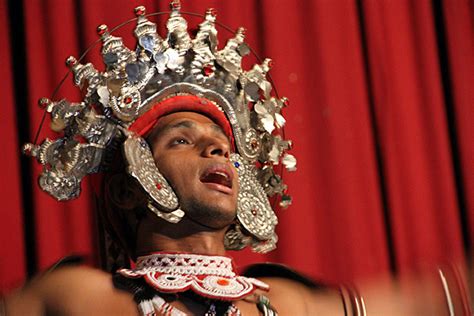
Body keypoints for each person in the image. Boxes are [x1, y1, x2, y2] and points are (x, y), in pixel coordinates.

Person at [4, 1, 471, 315]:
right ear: (129, 188)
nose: (217, 149)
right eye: (182, 141)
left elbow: (431, 298)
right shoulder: (79, 299)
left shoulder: (282, 305)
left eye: (223, 144)